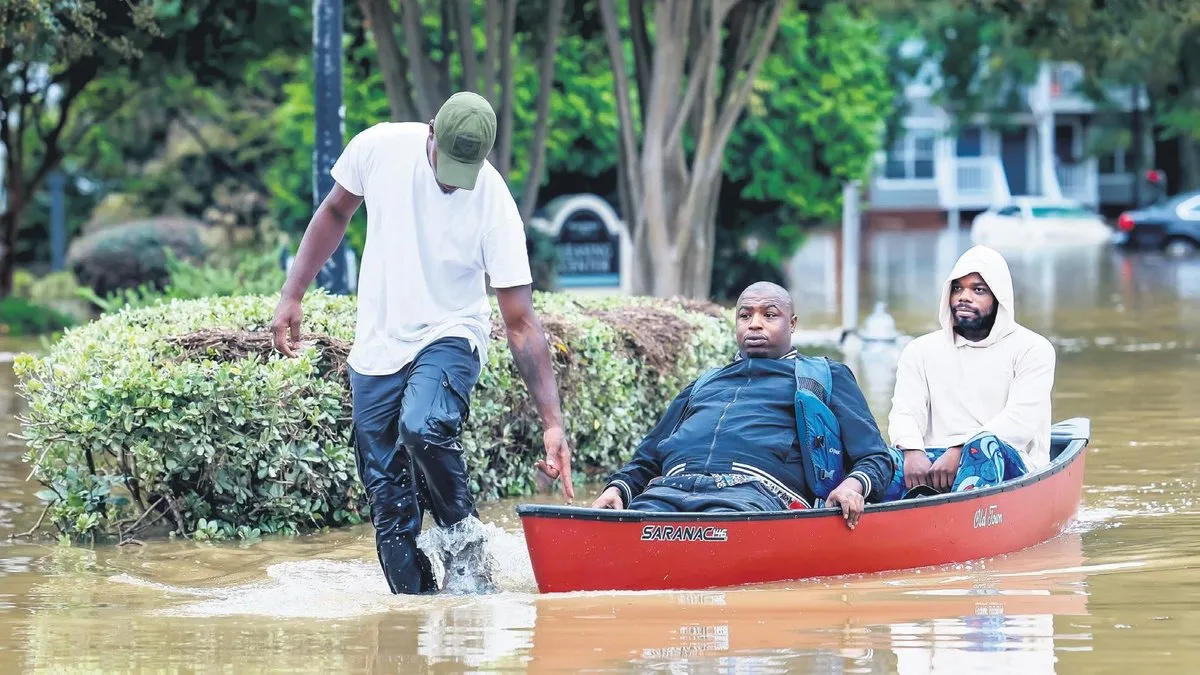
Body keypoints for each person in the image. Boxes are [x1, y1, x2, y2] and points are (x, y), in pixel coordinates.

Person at [270, 91, 573, 595]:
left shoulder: (495, 203)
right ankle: (417, 619)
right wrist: (292, 293)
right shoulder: (379, 147)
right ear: (430, 131)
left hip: (451, 332)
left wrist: (553, 423)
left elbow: (519, 321)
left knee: (423, 425)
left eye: (466, 168)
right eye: (447, 163)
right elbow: (335, 211)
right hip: (376, 347)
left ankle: (467, 555)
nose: (453, 180)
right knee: (389, 510)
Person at [591, 282, 893, 529]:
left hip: (753, 500)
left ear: (793, 323)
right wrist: (616, 490)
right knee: (625, 529)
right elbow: (646, 460)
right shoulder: (704, 383)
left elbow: (875, 458)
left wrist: (852, 487)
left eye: (769, 315)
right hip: (666, 494)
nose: (755, 325)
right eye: (745, 315)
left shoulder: (824, 376)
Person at [884, 245, 1056, 500]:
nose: (964, 297)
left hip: (1008, 462)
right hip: (932, 460)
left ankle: (957, 525)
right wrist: (912, 450)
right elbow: (905, 411)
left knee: (983, 446)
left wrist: (960, 449)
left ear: (999, 297)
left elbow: (1020, 422)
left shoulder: (1032, 349)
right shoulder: (920, 350)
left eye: (978, 290)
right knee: (877, 459)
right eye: (957, 288)